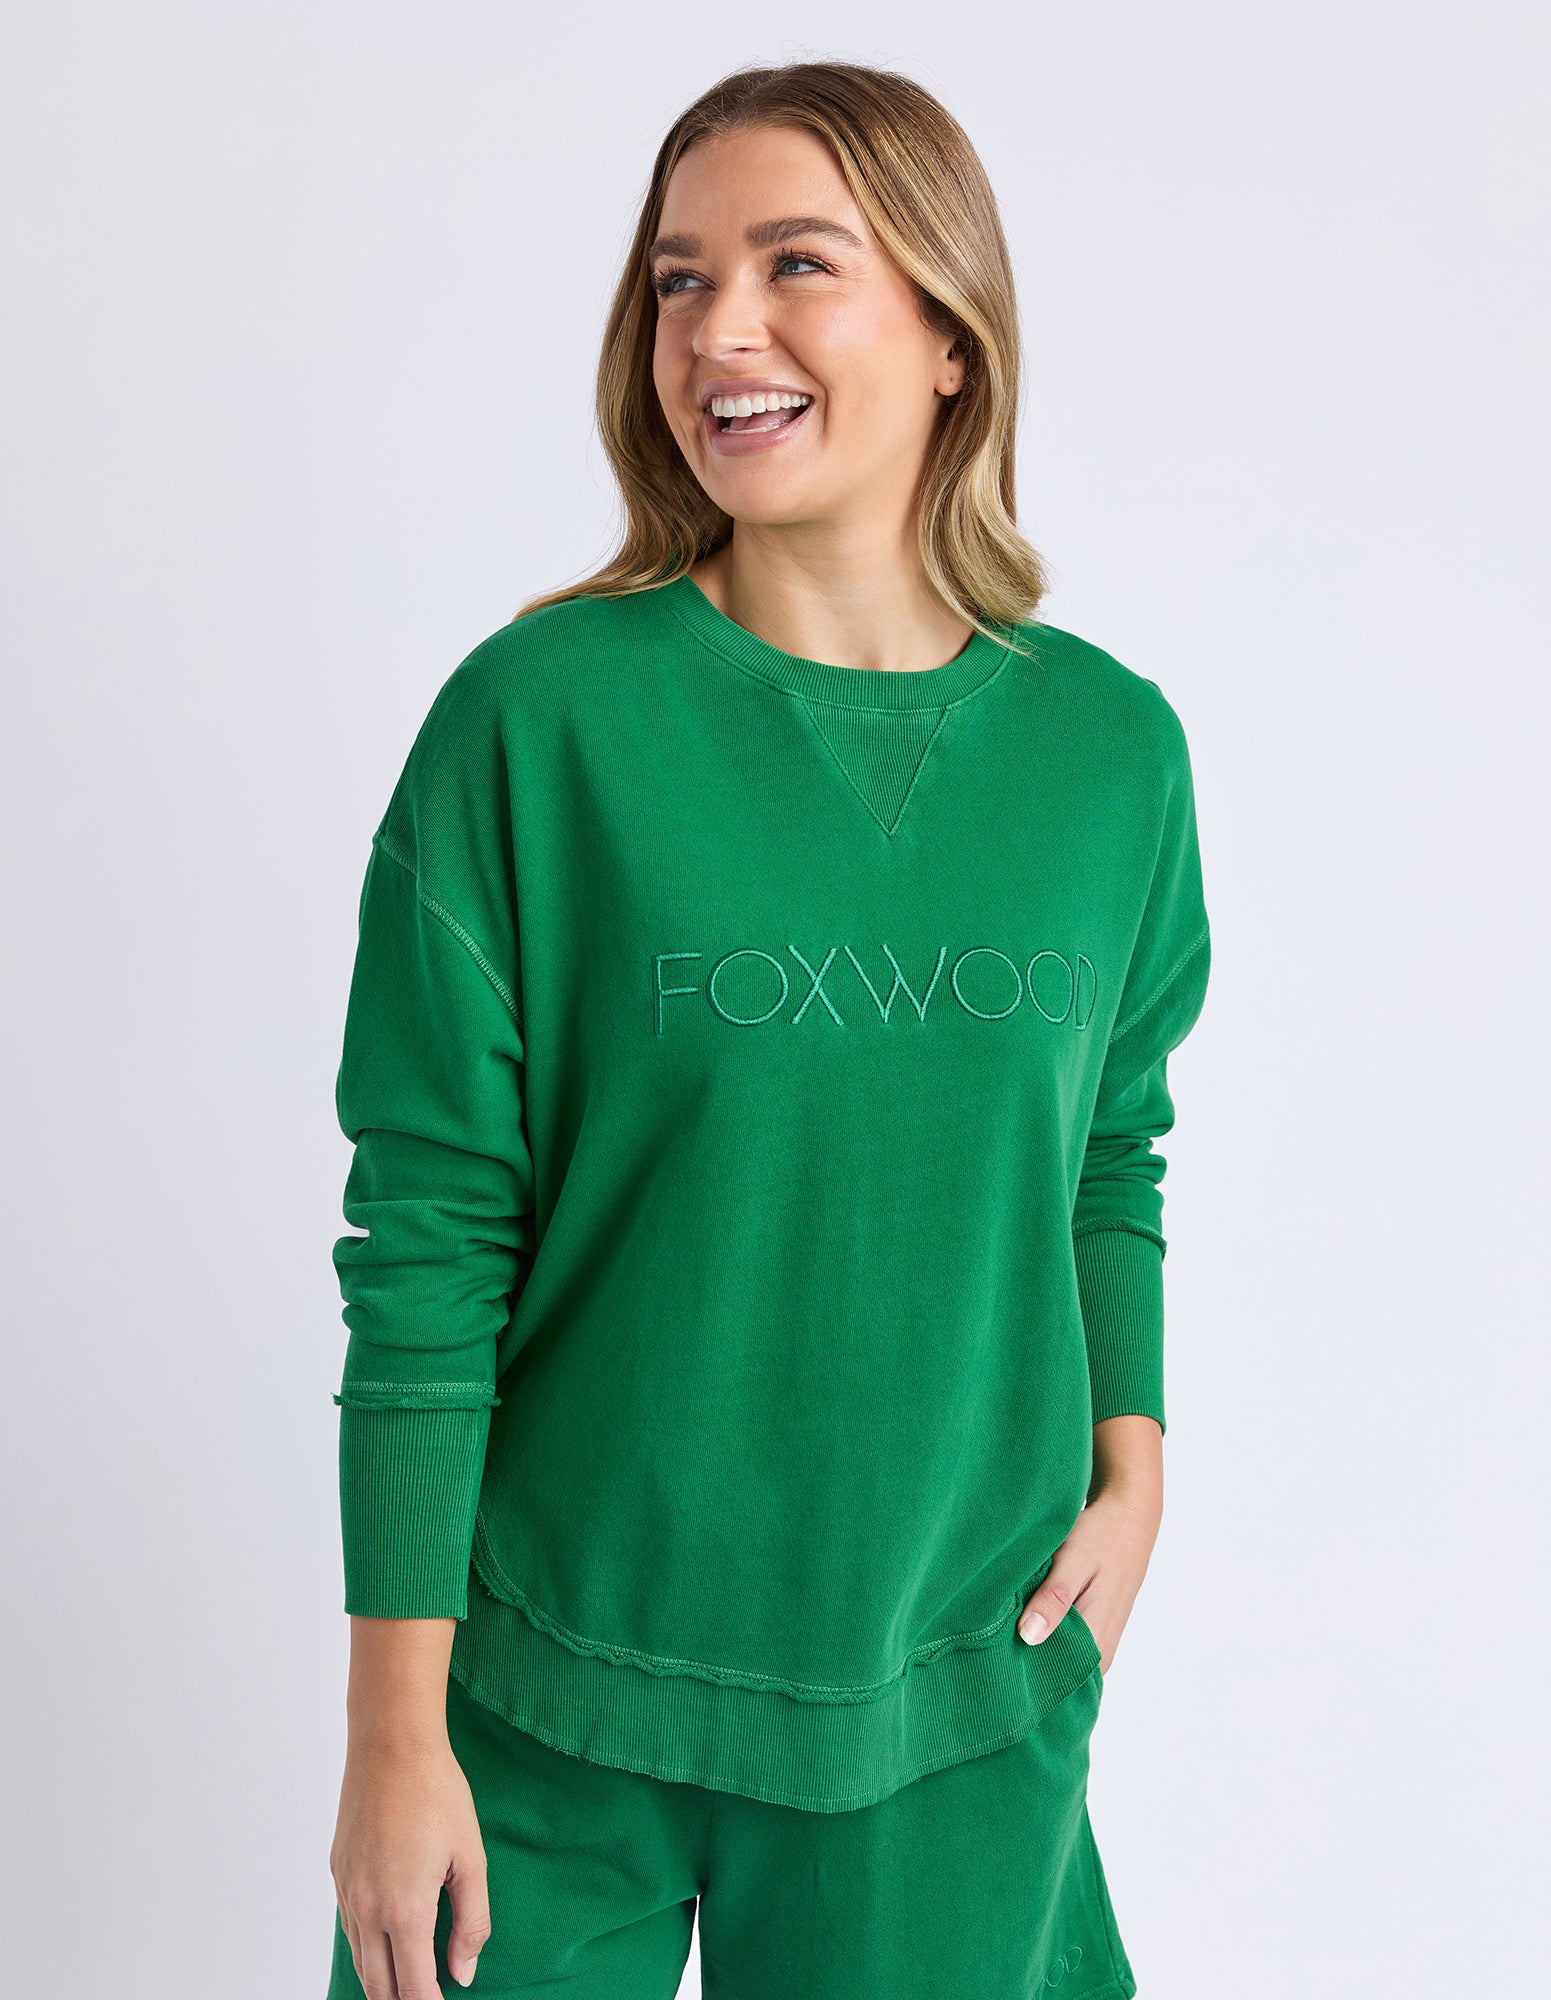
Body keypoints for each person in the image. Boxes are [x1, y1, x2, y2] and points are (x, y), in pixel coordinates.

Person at [325, 58, 1212, 2000]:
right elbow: (429, 1240)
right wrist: (394, 1734)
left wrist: (1133, 1461)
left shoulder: (1109, 756)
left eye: (795, 263)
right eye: (677, 279)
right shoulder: (539, 724)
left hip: (955, 1690)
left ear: (951, 334)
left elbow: (1106, 1147)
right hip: (544, 1700)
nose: (718, 329)